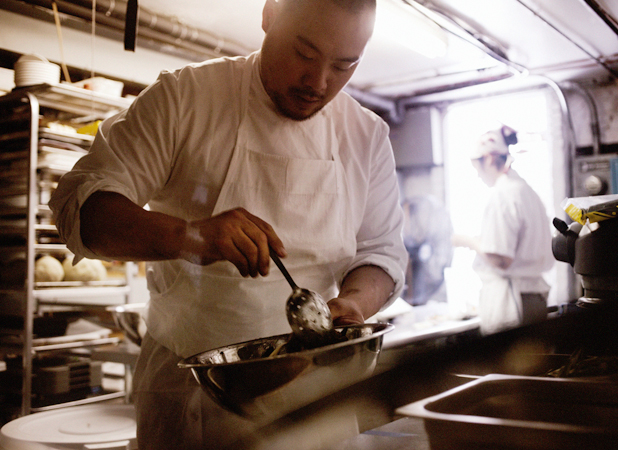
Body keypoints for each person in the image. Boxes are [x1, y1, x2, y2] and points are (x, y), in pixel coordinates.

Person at [49, 0, 408, 448]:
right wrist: (188, 236)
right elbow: (78, 210)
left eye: (344, 65)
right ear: (269, 15)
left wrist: (355, 303)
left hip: (318, 397)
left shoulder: (366, 135)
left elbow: (382, 252)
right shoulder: (187, 97)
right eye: (304, 53)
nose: (317, 83)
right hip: (195, 394)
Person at [451, 125, 554, 336]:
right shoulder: (526, 191)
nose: (478, 175)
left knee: (513, 368)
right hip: (533, 298)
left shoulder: (503, 194)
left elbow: (501, 259)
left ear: (488, 159)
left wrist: (468, 241)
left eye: (476, 167)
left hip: (514, 302)